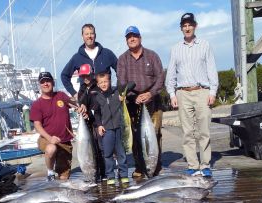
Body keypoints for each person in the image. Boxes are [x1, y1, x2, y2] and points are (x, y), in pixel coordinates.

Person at [165, 12, 218, 178]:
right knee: (187, 132)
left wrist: (213, 91)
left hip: (202, 91)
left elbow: (211, 69)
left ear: (195, 26)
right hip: (183, 93)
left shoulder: (205, 45)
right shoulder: (175, 49)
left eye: (190, 25)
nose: (187, 28)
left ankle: (205, 164)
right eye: (184, 25)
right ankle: (193, 165)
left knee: (204, 131)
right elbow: (171, 74)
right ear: (181, 28)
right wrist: (172, 94)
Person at [117, 25, 165, 178]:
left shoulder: (152, 55)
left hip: (153, 101)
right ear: (126, 40)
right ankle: (139, 166)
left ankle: (155, 166)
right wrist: (133, 96)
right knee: (137, 137)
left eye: (134, 36)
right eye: (129, 37)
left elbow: (161, 78)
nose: (132, 39)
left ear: (140, 38)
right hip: (133, 103)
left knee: (154, 135)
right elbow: (122, 83)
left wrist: (150, 94)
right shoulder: (122, 59)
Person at [30, 71, 74, 181]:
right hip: (46, 139)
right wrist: (50, 138)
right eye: (43, 82)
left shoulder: (61, 96)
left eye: (48, 81)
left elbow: (74, 103)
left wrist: (80, 104)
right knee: (51, 149)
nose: (46, 84)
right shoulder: (37, 104)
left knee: (63, 178)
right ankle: (50, 172)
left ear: (53, 83)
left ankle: (60, 170)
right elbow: (37, 125)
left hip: (65, 142)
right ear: (40, 85)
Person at [61, 23, 118, 101]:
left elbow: (120, 71)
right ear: (82, 36)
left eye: (91, 33)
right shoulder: (77, 57)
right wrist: (74, 93)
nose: (89, 36)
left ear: (95, 35)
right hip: (87, 101)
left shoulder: (107, 53)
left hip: (107, 98)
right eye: (86, 34)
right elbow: (64, 75)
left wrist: (119, 90)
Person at [92, 72, 128, 185]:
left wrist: (122, 96)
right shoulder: (97, 97)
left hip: (119, 127)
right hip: (107, 130)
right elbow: (97, 113)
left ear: (110, 81)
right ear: (98, 84)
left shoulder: (116, 92)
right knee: (107, 154)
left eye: (105, 81)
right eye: (101, 82)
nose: (103, 84)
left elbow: (131, 84)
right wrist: (99, 125)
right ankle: (110, 175)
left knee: (121, 153)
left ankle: (123, 174)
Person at [76, 63, 105, 181]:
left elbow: (99, 103)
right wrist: (82, 108)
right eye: (83, 76)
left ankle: (103, 173)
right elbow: (82, 101)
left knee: (101, 148)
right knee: (91, 148)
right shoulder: (82, 89)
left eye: (87, 75)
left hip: (99, 121)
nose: (85, 78)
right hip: (87, 123)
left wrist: (89, 110)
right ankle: (95, 173)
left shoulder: (97, 87)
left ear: (92, 74)